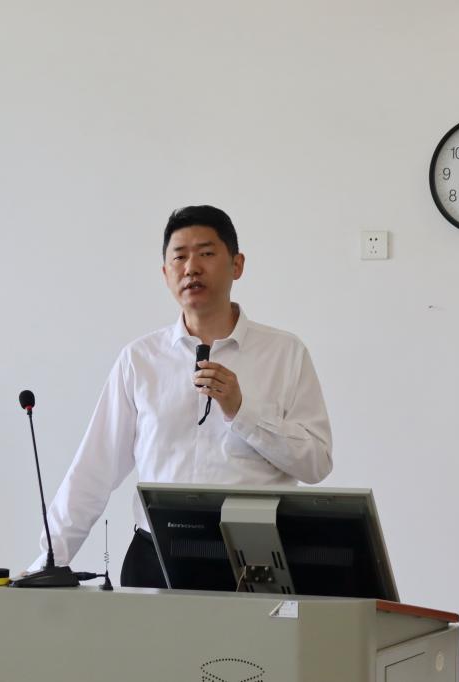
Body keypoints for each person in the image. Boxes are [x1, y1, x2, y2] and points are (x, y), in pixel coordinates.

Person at [27, 205, 332, 586]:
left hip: (254, 560)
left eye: (206, 253)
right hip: (155, 557)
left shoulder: (284, 354)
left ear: (237, 265)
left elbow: (316, 463)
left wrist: (243, 411)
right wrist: (48, 562)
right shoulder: (140, 359)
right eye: (180, 257)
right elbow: (93, 470)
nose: (191, 268)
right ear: (165, 273)